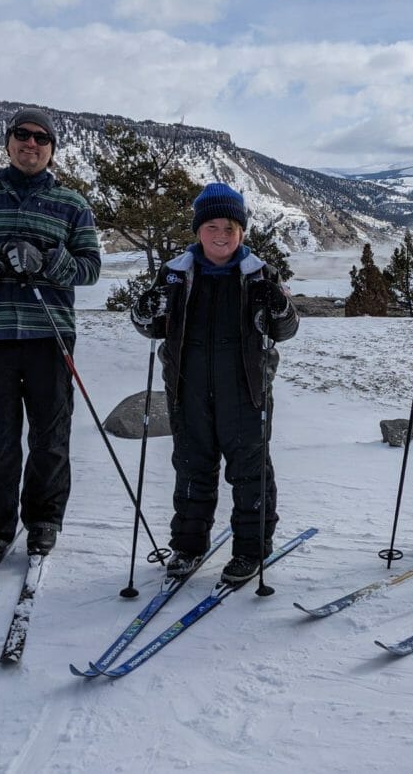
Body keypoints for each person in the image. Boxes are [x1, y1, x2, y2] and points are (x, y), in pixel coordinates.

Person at [0, 108, 102, 574]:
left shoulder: (72, 203)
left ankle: (45, 521)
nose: (31, 144)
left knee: (51, 436)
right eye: (22, 136)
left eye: (41, 139)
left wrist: (49, 260)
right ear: (8, 142)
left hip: (50, 334)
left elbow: (89, 267)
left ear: (52, 149)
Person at [131, 182, 299, 584]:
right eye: (211, 227)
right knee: (191, 467)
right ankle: (188, 547)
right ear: (198, 230)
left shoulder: (258, 273)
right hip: (187, 388)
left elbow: (285, 328)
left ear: (241, 231)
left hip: (245, 389)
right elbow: (152, 327)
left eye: (229, 227)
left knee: (250, 471)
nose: (220, 235)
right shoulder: (175, 275)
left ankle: (250, 551)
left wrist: (280, 305)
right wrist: (143, 310)